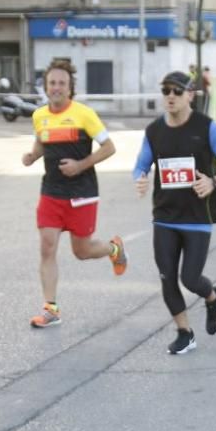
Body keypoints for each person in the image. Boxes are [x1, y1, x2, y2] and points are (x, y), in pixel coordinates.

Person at [134, 71, 216, 354]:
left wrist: (214, 181)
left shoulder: (206, 128)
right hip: (164, 215)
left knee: (190, 278)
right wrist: (140, 177)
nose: (170, 96)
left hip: (198, 217)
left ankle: (212, 297)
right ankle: (184, 332)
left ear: (190, 95)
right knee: (167, 277)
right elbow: (141, 165)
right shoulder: (154, 131)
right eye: (165, 90)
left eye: (176, 90)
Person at [22, 58, 126, 329]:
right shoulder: (39, 116)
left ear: (70, 88)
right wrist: (33, 156)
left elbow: (109, 147)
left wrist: (80, 165)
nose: (56, 88)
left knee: (81, 251)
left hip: (82, 192)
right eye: (52, 83)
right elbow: (42, 142)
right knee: (47, 247)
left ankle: (114, 248)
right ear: (46, 86)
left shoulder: (84, 114)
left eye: (61, 83)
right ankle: (51, 308)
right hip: (52, 191)